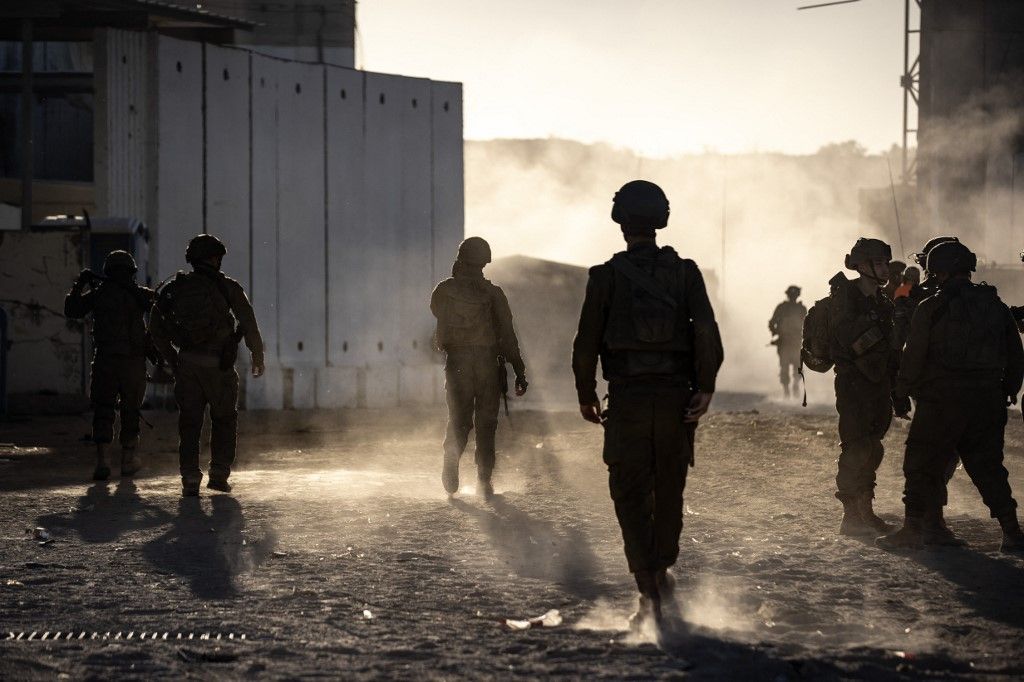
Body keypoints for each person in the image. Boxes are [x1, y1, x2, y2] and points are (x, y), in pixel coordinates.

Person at [572, 180, 723, 629]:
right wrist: (706, 386)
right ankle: (662, 569)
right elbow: (707, 332)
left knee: (630, 491)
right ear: (662, 221)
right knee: (670, 487)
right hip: (676, 398)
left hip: (627, 398)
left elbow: (586, 342)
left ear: (621, 223)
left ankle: (647, 587)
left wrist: (585, 393)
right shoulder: (687, 271)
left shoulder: (604, 276)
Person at [879, 241, 1024, 552]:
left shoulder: (931, 306)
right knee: (989, 469)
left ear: (938, 270)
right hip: (987, 400)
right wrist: (1009, 389)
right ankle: (1011, 533)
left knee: (921, 463)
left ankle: (913, 528)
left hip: (940, 401)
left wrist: (901, 392)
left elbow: (913, 355)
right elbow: (1015, 352)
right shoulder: (996, 306)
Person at [149, 234, 264, 497]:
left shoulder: (174, 289)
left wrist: (173, 359)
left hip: (187, 366)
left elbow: (155, 327)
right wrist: (257, 356)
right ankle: (219, 475)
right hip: (219, 369)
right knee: (224, 420)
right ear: (214, 258)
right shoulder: (228, 287)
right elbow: (248, 322)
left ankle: (190, 477)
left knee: (189, 424)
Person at [802, 238, 898, 536]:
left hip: (878, 385)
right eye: (878, 263)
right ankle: (851, 515)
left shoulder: (882, 302)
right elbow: (851, 341)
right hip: (854, 383)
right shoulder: (846, 300)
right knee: (856, 447)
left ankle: (865, 510)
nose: (885, 269)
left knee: (873, 447)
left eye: (885, 263)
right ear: (860, 266)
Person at [430, 237, 528, 500]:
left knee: (458, 420)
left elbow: (437, 314)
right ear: (485, 262)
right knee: (486, 424)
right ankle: (484, 480)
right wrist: (519, 370)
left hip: (458, 365)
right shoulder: (494, 294)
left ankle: (451, 460)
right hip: (487, 366)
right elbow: (508, 336)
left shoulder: (443, 290)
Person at [64, 251, 154, 481]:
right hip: (132, 364)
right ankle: (127, 461)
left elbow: (72, 309)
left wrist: (79, 284)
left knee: (103, 411)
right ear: (131, 272)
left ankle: (102, 462)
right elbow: (160, 308)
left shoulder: (99, 295)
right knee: (130, 411)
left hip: (106, 361)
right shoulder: (139, 295)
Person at [768, 285, 807, 399]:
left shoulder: (801, 309)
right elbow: (772, 323)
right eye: (792, 294)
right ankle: (786, 391)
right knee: (785, 367)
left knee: (796, 368)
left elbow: (808, 325)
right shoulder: (782, 308)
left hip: (796, 342)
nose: (793, 296)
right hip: (785, 342)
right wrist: (776, 332)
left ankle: (794, 387)